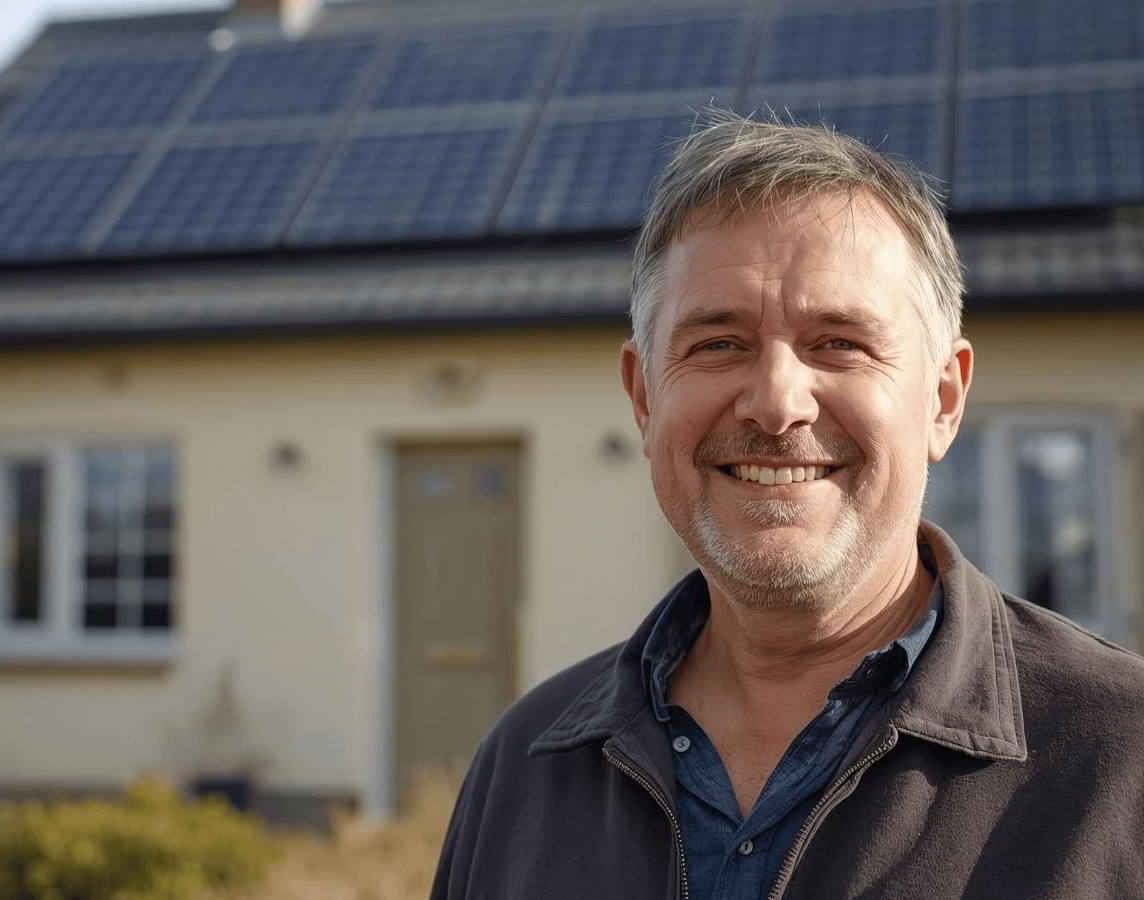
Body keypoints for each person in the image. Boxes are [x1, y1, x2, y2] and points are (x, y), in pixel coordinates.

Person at [429, 112, 1144, 899]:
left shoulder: (1122, 762)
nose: (775, 404)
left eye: (839, 343)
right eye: (717, 344)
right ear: (643, 398)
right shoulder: (525, 770)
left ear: (943, 400)